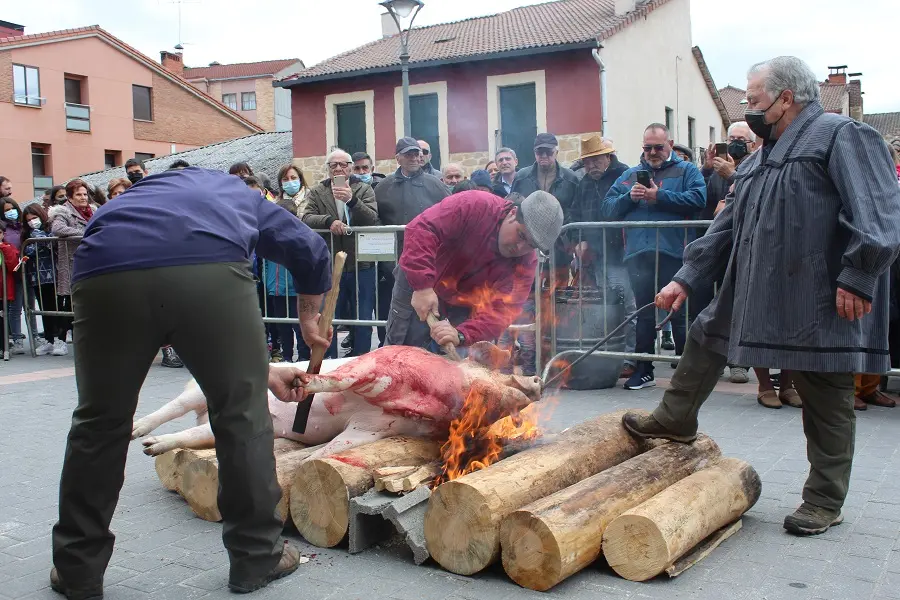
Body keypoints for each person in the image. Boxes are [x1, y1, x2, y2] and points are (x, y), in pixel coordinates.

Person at [621, 56, 900, 536]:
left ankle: (824, 499)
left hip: (817, 292)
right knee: (708, 335)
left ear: (785, 98)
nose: (748, 109)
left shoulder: (841, 135)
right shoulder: (759, 158)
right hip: (753, 284)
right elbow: (725, 227)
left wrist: (858, 274)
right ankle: (674, 420)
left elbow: (878, 211)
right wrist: (685, 278)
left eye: (752, 100)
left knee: (824, 384)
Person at [50, 167, 332, 597]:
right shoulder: (230, 189)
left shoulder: (126, 202)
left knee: (98, 423)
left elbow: (162, 299)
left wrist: (264, 371)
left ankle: (76, 570)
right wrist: (310, 317)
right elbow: (309, 246)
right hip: (209, 271)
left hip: (106, 273)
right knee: (240, 415)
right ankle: (257, 557)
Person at [386, 190, 562, 356]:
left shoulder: (526, 263)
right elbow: (422, 228)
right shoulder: (474, 205)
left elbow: (502, 311)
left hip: (463, 303)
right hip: (419, 275)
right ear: (513, 213)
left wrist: (462, 335)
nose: (520, 248)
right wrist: (422, 286)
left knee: (456, 369)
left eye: (530, 245)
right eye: (521, 235)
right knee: (400, 351)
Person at [602, 123, 706, 390]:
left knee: (679, 313)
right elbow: (608, 208)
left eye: (658, 147)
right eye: (647, 147)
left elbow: (698, 199)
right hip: (638, 254)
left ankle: (686, 373)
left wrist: (658, 196)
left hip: (675, 252)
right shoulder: (630, 175)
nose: (653, 152)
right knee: (644, 314)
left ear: (669, 144)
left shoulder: (687, 170)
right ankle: (644, 369)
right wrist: (630, 197)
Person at [696, 122, 758, 385]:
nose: (734, 144)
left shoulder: (759, 164)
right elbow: (703, 204)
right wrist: (709, 170)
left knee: (742, 306)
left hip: (748, 246)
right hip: (722, 245)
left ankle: (740, 363)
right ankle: (715, 360)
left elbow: (756, 196)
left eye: (740, 140)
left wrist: (733, 175)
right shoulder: (717, 169)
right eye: (731, 139)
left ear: (752, 144)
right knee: (715, 306)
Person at [303, 149, 380, 358]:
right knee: (329, 318)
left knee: (362, 318)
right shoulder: (318, 191)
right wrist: (328, 221)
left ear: (350, 167)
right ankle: (329, 360)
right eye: (333, 165)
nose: (338, 168)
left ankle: (361, 360)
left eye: (343, 164)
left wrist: (352, 200)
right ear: (328, 169)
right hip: (329, 265)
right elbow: (307, 217)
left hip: (360, 264)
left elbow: (372, 218)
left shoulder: (363, 189)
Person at [569, 135, 635, 377]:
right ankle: (608, 353)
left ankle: (630, 356)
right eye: (587, 162)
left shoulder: (625, 175)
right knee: (602, 308)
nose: (590, 166)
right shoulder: (585, 182)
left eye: (595, 160)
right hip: (595, 257)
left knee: (627, 305)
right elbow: (575, 214)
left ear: (608, 156)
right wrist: (577, 241)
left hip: (620, 254)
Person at [374, 137, 450, 346]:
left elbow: (450, 216)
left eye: (417, 153)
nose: (415, 158)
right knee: (398, 315)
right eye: (409, 154)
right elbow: (375, 220)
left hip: (431, 263)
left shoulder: (436, 184)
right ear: (397, 158)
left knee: (429, 312)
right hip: (395, 263)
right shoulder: (383, 187)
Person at [49, 179, 95, 354]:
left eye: (85, 194)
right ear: (69, 197)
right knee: (68, 303)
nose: (83, 198)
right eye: (78, 194)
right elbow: (58, 229)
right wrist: (86, 234)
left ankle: (85, 339)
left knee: (88, 302)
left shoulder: (94, 210)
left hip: (91, 262)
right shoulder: (62, 212)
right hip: (72, 263)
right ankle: (60, 340)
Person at [22, 204, 64, 356]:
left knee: (55, 308)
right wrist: (35, 239)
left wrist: (39, 238)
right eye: (29, 220)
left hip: (53, 275)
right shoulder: (28, 234)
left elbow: (50, 244)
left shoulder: (49, 230)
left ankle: (60, 339)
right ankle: (49, 340)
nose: (32, 222)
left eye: (34, 218)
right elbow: (29, 250)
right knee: (44, 309)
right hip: (36, 277)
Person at [1, 197, 26, 354]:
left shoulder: (23, 227)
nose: (11, 212)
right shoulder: (4, 230)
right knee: (14, 308)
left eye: (13, 208)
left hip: (27, 270)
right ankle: (16, 337)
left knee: (28, 305)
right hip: (12, 272)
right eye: (6, 210)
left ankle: (35, 335)